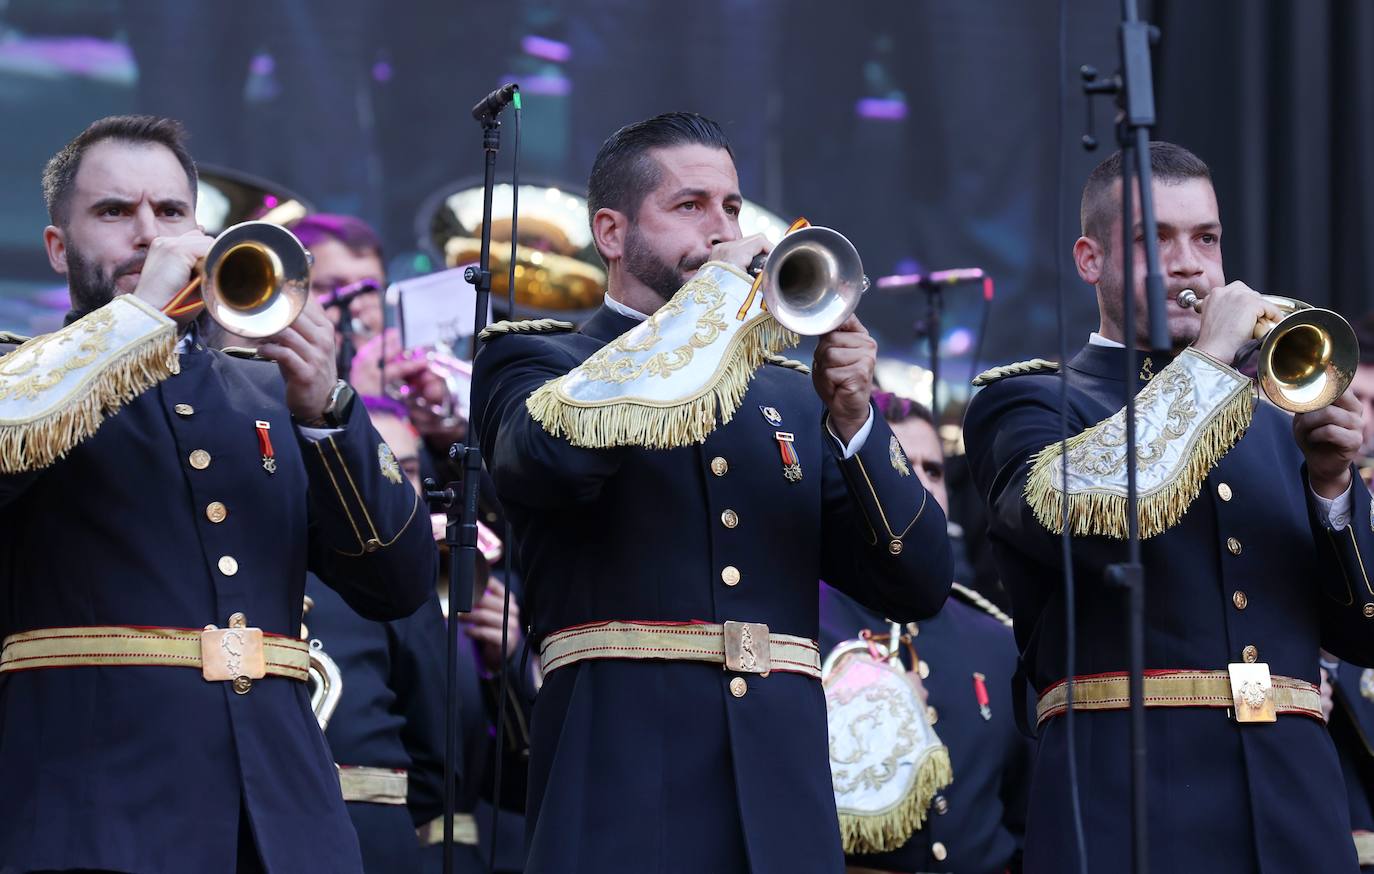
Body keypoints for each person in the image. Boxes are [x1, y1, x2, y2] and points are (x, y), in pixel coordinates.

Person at [471, 111, 953, 872]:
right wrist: (714, 305)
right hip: (621, 782)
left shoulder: (791, 395)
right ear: (611, 232)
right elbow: (549, 463)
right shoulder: (536, 361)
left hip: (780, 794)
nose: (723, 231)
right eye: (689, 206)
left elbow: (918, 580)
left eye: (732, 206)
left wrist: (857, 418)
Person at [0, 114, 435, 872]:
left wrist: (329, 410)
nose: (151, 237)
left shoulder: (267, 393)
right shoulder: (21, 377)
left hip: (283, 820)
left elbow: (397, 584)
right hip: (95, 817)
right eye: (115, 212)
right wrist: (137, 321)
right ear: (57, 248)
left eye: (171, 213)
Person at [962, 141, 1373, 872]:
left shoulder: (1279, 424)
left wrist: (1334, 488)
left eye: (1207, 238)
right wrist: (1212, 365)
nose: (1190, 263)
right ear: (1091, 261)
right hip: (1132, 800)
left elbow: (1364, 635)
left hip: (1297, 805)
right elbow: (1080, 518)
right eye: (1158, 238)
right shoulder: (1031, 402)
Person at [819, 393, 1031, 874]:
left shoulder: (995, 639)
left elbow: (1027, 816)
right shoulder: (800, 626)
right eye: (898, 463)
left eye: (932, 470)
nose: (919, 485)